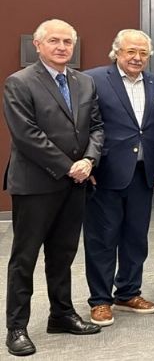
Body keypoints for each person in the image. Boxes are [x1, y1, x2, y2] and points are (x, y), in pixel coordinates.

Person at [4, 19, 104, 356]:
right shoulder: (19, 82)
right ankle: (16, 326)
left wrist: (89, 160)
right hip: (35, 185)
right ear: (37, 44)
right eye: (54, 41)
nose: (62, 47)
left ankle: (61, 314)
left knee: (63, 254)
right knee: (25, 257)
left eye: (67, 42)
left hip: (74, 184)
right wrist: (69, 167)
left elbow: (97, 127)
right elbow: (26, 135)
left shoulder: (84, 82)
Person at [83, 30, 154, 327]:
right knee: (102, 239)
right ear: (116, 52)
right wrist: (89, 165)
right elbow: (84, 126)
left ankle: (128, 292)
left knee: (136, 238)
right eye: (131, 51)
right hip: (105, 174)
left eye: (143, 53)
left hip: (143, 175)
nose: (137, 58)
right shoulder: (93, 79)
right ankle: (100, 301)